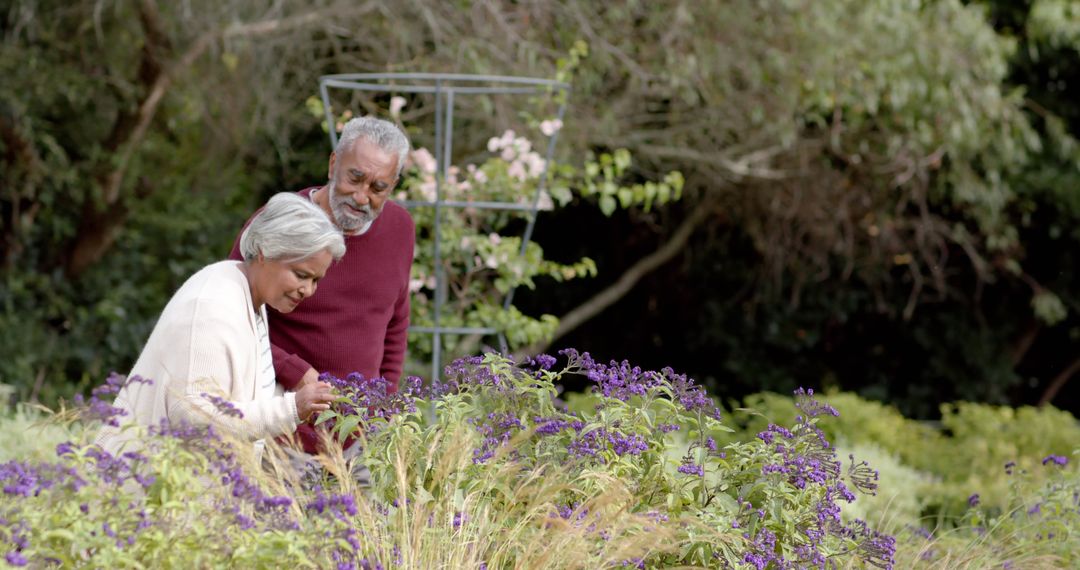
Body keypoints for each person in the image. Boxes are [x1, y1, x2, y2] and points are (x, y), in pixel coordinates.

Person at [96, 193, 345, 457]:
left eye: (316, 280)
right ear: (265, 251)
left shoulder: (249, 298)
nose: (308, 290)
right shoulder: (213, 305)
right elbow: (193, 417)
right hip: (143, 486)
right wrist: (292, 408)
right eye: (301, 275)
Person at [228, 116, 415, 454]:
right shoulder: (279, 223)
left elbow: (396, 322)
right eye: (354, 178)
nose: (361, 197)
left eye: (378, 188)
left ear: (393, 185)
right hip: (279, 428)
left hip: (359, 440)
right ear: (333, 164)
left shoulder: (400, 229)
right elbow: (230, 316)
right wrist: (292, 369)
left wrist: (384, 407)